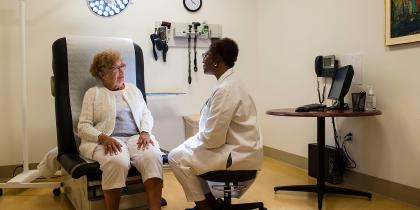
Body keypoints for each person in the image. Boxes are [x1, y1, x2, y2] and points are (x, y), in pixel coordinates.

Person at [168, 38, 263, 210]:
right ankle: (211, 202)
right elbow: (213, 133)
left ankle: (206, 206)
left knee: (175, 157)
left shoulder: (225, 89)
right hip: (240, 150)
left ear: (217, 60)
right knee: (182, 152)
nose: (203, 59)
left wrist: (188, 144)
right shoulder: (230, 83)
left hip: (237, 156)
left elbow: (213, 139)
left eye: (206, 55)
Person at [78, 49, 163, 210]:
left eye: (122, 66)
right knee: (117, 162)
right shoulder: (93, 93)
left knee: (152, 156)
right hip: (108, 139)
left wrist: (145, 132)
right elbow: (83, 126)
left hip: (136, 137)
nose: (122, 70)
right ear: (102, 73)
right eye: (115, 68)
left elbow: (146, 114)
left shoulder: (133, 90)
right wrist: (102, 137)